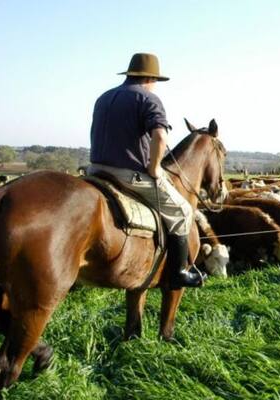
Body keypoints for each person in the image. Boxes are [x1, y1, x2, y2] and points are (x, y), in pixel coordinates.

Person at [87, 53, 205, 288]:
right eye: (155, 81)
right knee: (182, 211)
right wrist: (154, 169)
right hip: (128, 174)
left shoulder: (104, 97)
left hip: (95, 170)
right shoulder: (148, 99)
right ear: (150, 77)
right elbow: (160, 136)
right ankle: (179, 272)